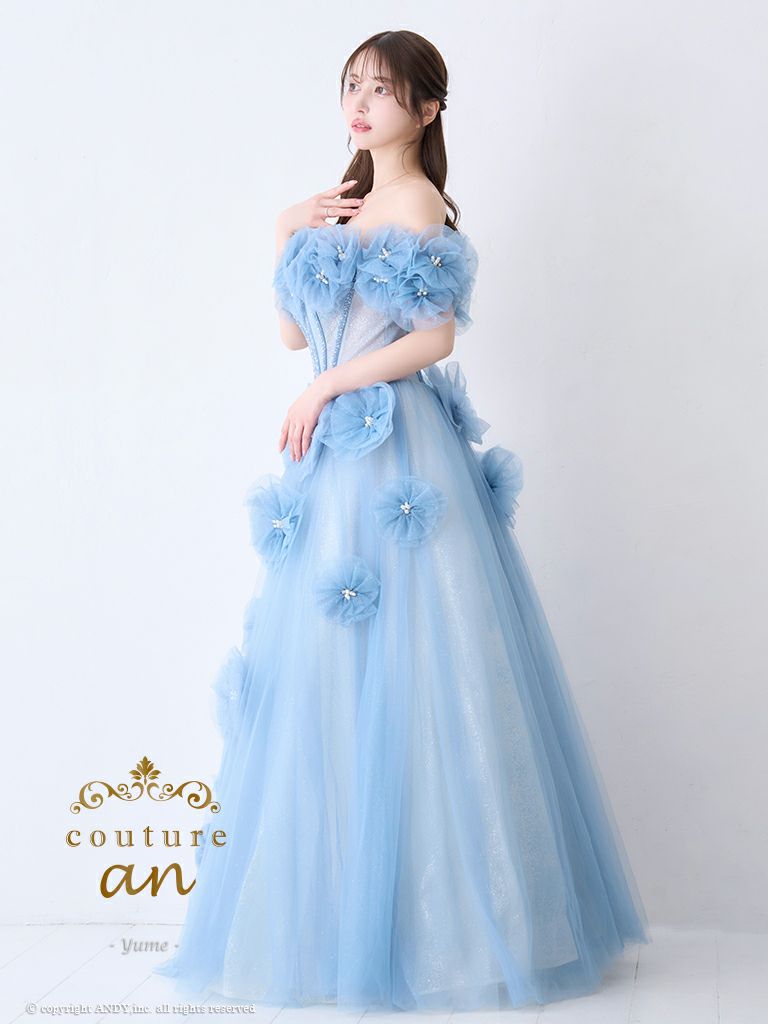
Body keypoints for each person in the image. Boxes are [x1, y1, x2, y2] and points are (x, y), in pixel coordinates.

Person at [154, 28, 650, 1013]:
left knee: (421, 670)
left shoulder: (418, 201)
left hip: (394, 455)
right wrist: (285, 228)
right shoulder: (342, 204)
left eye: (381, 90)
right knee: (334, 675)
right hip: (332, 458)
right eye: (351, 85)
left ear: (426, 109)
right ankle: (346, 920)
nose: (359, 103)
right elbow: (292, 332)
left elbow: (434, 336)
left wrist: (327, 386)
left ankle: (441, 931)